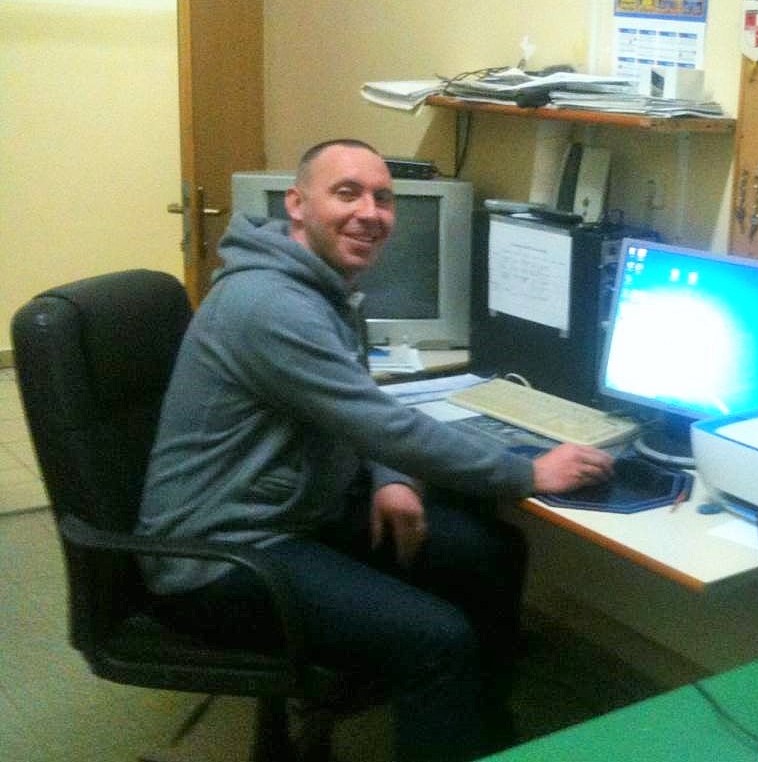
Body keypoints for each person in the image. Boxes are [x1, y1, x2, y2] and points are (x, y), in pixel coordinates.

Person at [136, 138, 614, 761]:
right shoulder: (271, 304)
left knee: (491, 552)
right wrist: (527, 473)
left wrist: (390, 479)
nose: (370, 213)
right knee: (438, 640)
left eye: (383, 198)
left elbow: (360, 407)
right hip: (221, 552)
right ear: (297, 204)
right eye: (347, 193)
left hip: (291, 511)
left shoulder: (319, 285)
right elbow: (386, 424)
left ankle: (482, 736)